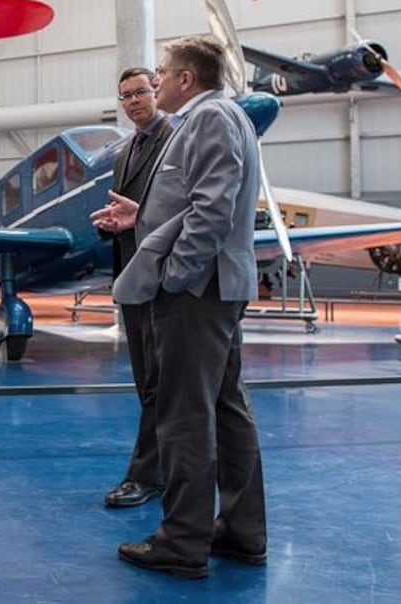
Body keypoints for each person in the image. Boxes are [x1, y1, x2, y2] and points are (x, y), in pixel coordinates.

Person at [91, 36, 268, 579]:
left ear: (186, 79)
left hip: (197, 293)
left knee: (184, 414)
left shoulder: (209, 118)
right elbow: (192, 201)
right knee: (225, 409)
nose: (157, 80)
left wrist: (173, 277)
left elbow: (211, 212)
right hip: (215, 288)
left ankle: (182, 540)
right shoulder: (216, 118)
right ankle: (240, 530)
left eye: (163, 73)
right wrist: (140, 218)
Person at [92, 67, 172, 509]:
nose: (133, 101)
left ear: (157, 90)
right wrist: (111, 226)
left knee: (161, 383)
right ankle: (162, 469)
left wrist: (138, 218)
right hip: (133, 277)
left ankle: (146, 475)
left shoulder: (175, 140)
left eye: (141, 92)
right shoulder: (126, 151)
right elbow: (128, 212)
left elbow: (175, 208)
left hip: (163, 277)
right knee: (147, 383)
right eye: (125, 96)